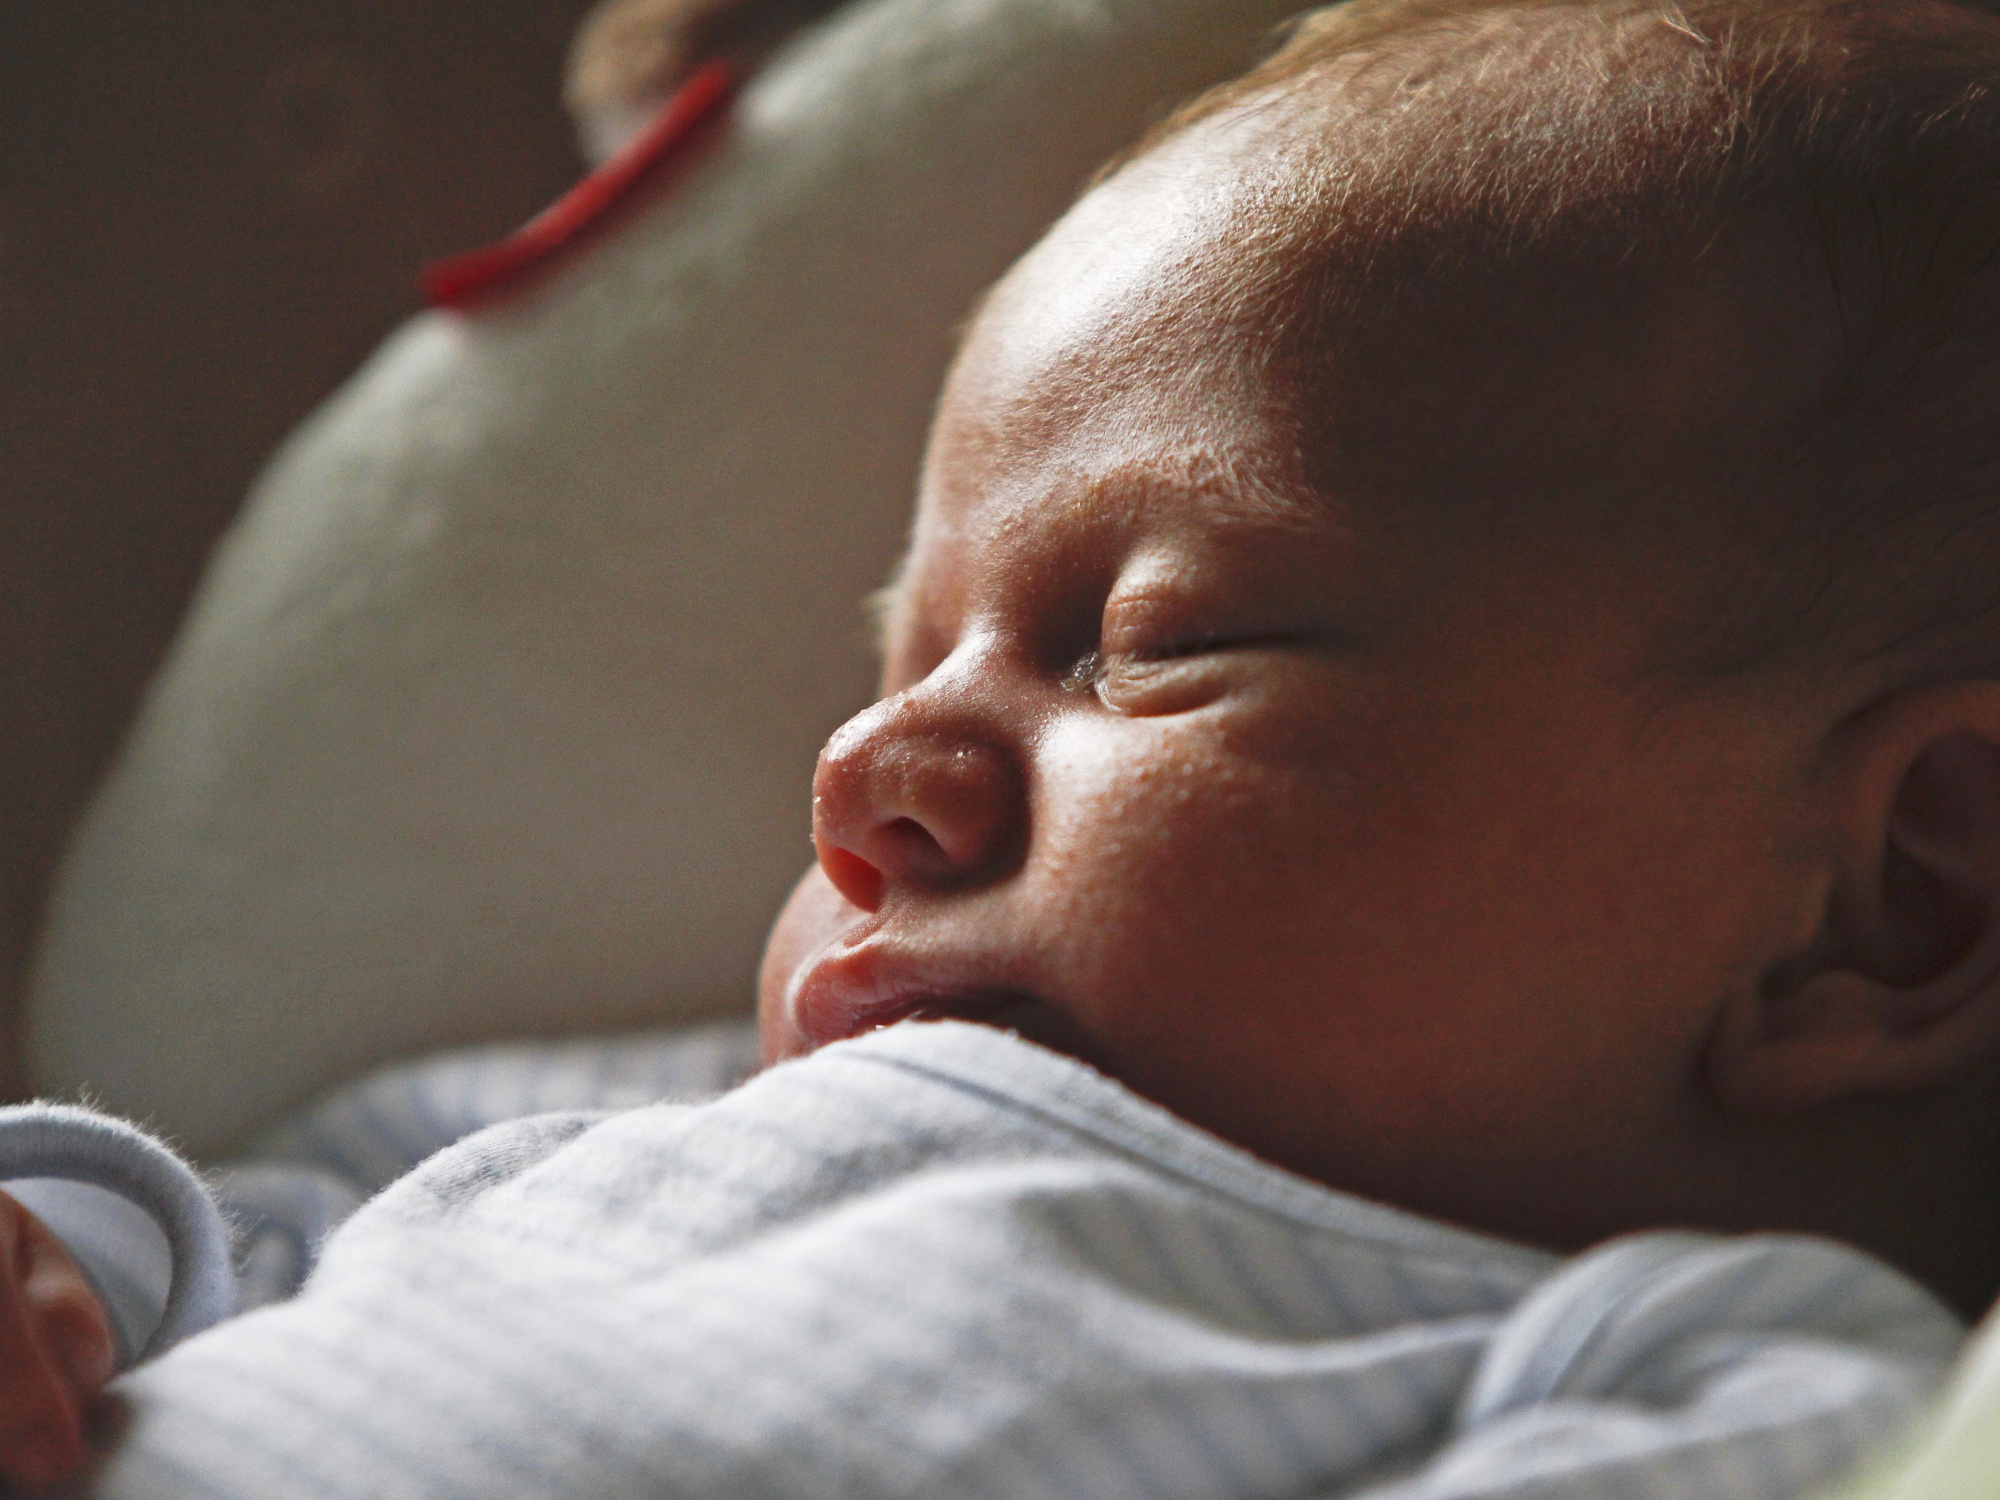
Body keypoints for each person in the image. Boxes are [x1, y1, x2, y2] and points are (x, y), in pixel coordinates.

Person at [6, 0, 2000, 1492]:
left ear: (1890, 903)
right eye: (895, 656)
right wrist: (55, 1261)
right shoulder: (629, 1126)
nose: (875, 764)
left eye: (1152, 642)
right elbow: (223, 1226)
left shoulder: (1700, 1380)